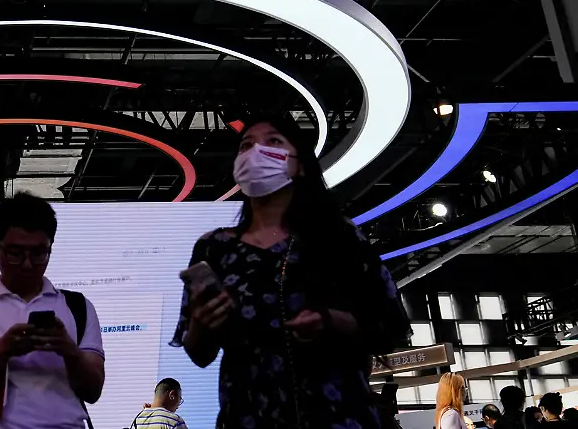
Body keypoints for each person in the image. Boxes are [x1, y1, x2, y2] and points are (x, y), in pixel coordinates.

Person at [175, 115, 410, 429]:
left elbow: (389, 328)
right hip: (247, 416)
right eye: (246, 145)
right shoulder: (213, 248)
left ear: (300, 165)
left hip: (335, 414)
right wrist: (201, 324)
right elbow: (200, 354)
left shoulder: (338, 237)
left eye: (273, 141)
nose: (255, 152)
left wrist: (333, 321)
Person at [0, 193, 105, 429]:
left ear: (51, 247)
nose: (27, 264)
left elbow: (93, 391)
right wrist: (2, 351)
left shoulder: (78, 307)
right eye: (15, 253)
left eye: (39, 253)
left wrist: (69, 351)